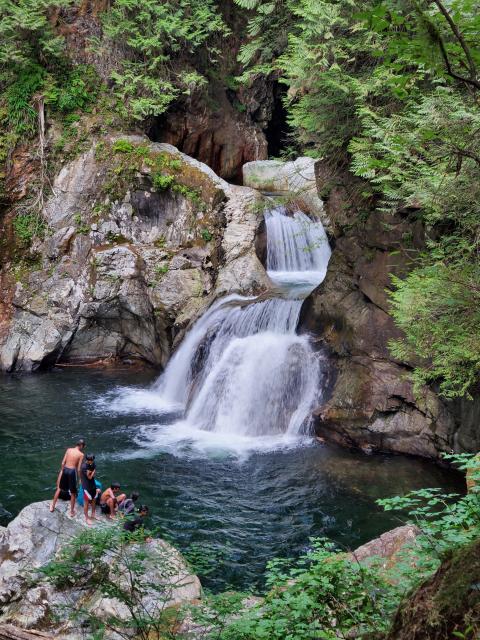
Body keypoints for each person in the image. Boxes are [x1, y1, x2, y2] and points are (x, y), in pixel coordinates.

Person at [50, 438, 86, 517]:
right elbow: (79, 468)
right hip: (72, 471)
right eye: (83, 446)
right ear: (81, 445)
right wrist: (80, 478)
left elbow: (63, 462)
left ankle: (52, 506)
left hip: (65, 469)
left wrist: (62, 471)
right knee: (73, 493)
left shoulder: (69, 450)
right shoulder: (81, 454)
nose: (83, 448)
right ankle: (72, 512)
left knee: (59, 488)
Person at [80, 454, 98, 525]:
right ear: (88, 460)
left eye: (93, 460)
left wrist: (92, 472)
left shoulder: (92, 463)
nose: (93, 461)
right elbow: (89, 477)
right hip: (87, 487)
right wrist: (93, 471)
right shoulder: (84, 467)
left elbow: (92, 474)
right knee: (86, 503)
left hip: (93, 485)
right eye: (91, 460)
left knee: (94, 499)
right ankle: (87, 518)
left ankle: (93, 514)